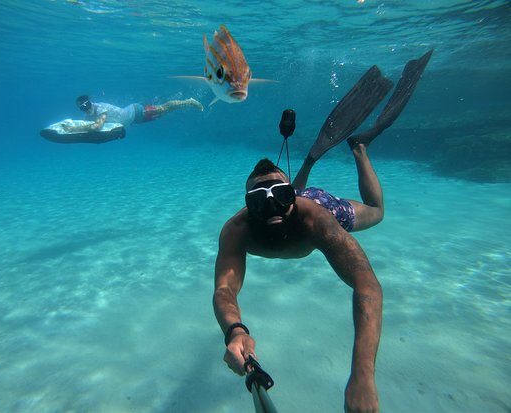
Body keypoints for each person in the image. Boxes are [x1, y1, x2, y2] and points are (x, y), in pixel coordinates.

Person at [213, 50, 432, 413]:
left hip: (316, 202)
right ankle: (308, 164)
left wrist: (363, 375)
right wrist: (235, 330)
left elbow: (367, 285)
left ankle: (359, 148)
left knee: (377, 212)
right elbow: (224, 289)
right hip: (298, 197)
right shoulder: (237, 229)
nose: (272, 208)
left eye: (280, 196)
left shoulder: (316, 218)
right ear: (248, 205)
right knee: (293, 195)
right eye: (259, 201)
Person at [63, 95, 204, 132]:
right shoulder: (88, 115)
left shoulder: (100, 108)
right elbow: (89, 126)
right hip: (135, 120)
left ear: (91, 102)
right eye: (82, 108)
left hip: (137, 111)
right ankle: (184, 103)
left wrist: (73, 129)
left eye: (87, 105)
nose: (86, 109)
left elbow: (97, 126)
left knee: (163, 108)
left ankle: (188, 101)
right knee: (163, 113)